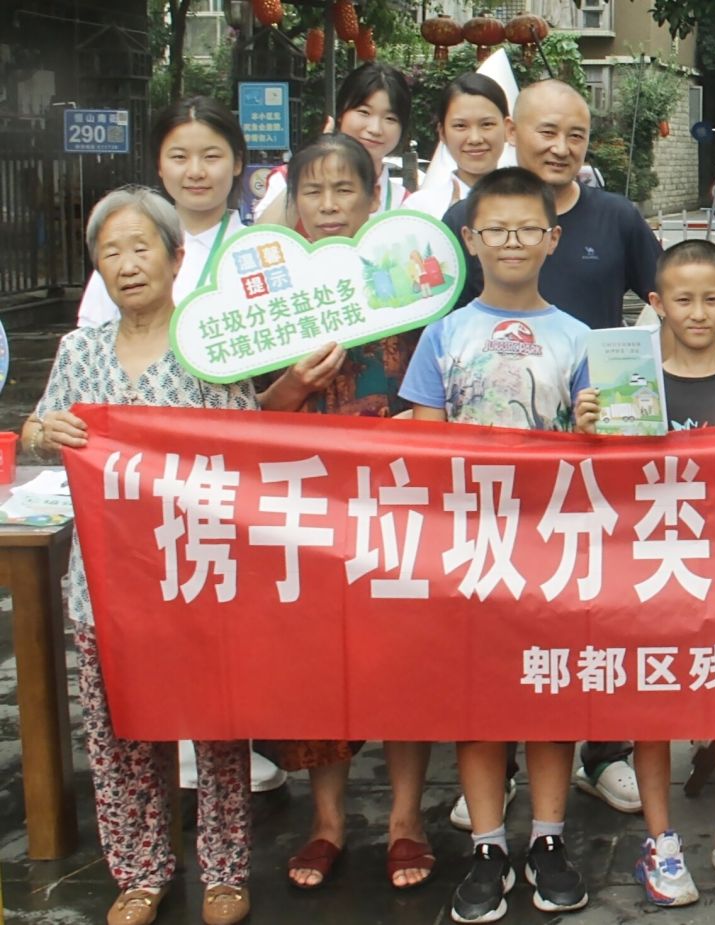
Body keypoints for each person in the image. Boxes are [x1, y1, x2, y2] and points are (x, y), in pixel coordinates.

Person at [31, 186, 265, 925]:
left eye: (141, 248)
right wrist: (43, 432)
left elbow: (249, 450)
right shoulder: (79, 351)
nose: (128, 265)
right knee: (120, 732)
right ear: (97, 267)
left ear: (175, 256)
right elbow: (40, 427)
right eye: (111, 252)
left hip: (197, 572)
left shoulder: (209, 348)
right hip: (105, 583)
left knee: (216, 727)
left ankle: (224, 871)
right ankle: (139, 872)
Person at [66, 96, 291, 795]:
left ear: (238, 164)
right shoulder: (118, 253)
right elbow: (81, 389)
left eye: (212, 155)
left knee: (220, 641)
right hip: (127, 513)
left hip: (218, 495)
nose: (196, 170)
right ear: (159, 165)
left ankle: (226, 757)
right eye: (179, 155)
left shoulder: (262, 251)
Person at [571, 240, 715, 905]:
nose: (698, 312)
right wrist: (587, 433)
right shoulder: (628, 386)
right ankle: (660, 840)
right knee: (653, 705)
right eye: (683, 299)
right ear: (656, 304)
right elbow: (603, 487)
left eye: (711, 299)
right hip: (651, 573)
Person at [401, 167, 594, 922]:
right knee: (476, 698)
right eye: (496, 230)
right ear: (470, 239)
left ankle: (547, 837)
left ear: (552, 239)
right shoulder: (443, 334)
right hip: (468, 549)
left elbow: (601, 448)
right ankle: (487, 844)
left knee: (549, 691)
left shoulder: (579, 338)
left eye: (527, 229)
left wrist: (595, 426)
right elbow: (424, 447)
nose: (512, 242)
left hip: (553, 547)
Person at [249, 133, 434, 893]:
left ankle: (405, 819)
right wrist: (292, 386)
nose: (328, 206)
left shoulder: (410, 285)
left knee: (403, 663)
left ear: (373, 199)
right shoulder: (267, 299)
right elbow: (242, 418)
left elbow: (435, 392)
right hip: (303, 509)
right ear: (294, 203)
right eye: (313, 192)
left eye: (344, 190)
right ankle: (327, 821)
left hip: (395, 507)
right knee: (317, 666)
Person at [443, 79, 660, 332]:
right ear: (511, 131)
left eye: (576, 136)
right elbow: (440, 325)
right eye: (547, 132)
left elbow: (678, 302)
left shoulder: (617, 217)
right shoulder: (467, 219)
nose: (561, 149)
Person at [253, 61, 410, 225]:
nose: (375, 129)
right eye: (364, 112)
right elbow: (263, 237)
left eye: (390, 118)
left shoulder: (403, 203)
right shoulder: (287, 178)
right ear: (341, 113)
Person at [404, 73, 510, 219]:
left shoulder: (532, 204)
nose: (475, 139)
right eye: (460, 126)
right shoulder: (420, 210)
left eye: (487, 124)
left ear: (508, 128)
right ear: (442, 133)